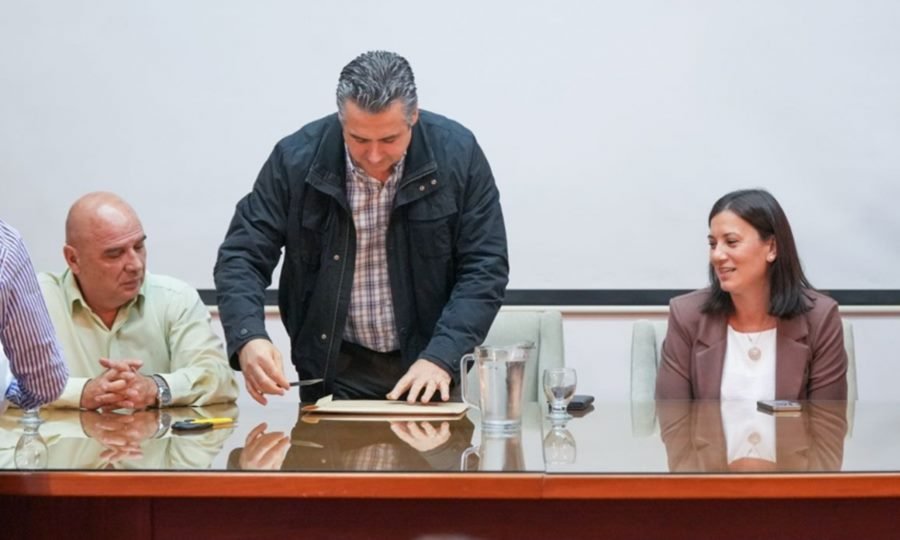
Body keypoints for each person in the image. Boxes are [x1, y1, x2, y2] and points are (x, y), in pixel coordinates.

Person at [215, 50, 508, 405]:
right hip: (332, 367)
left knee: (436, 459)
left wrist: (442, 356)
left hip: (429, 364)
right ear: (341, 119)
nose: (373, 156)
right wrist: (249, 337)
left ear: (413, 116)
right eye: (358, 139)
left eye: (388, 140)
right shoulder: (295, 159)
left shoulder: (457, 155)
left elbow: (484, 267)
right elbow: (243, 255)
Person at [39, 192, 239, 409]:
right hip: (66, 443)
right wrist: (83, 393)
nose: (135, 265)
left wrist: (156, 388)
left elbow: (219, 379)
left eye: (138, 247)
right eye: (115, 254)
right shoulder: (34, 301)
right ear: (73, 259)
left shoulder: (176, 299)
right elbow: (5, 383)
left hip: (149, 443)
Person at [655, 189, 847, 400]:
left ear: (772, 248)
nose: (716, 255)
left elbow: (828, 425)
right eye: (712, 244)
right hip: (705, 435)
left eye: (731, 242)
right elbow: (674, 422)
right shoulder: (686, 315)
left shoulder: (820, 318)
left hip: (795, 435)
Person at [0, 219, 68, 409]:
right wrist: (8, 391)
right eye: (113, 254)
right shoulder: (5, 243)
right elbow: (45, 386)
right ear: (72, 258)